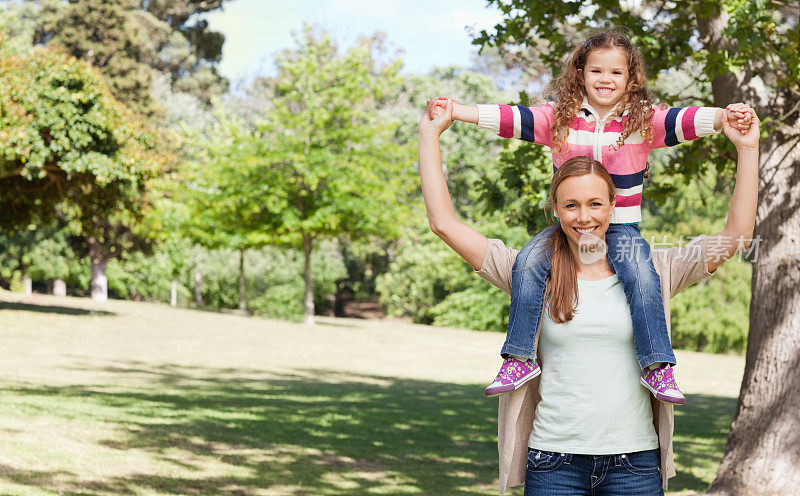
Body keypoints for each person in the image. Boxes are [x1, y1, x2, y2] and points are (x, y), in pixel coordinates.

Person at [418, 98, 759, 494]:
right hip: (553, 462)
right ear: (556, 209)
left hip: (635, 464)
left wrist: (747, 150)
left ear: (614, 206)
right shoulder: (529, 272)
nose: (585, 217)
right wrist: (430, 133)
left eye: (596, 203)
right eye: (572, 205)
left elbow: (736, 236)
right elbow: (443, 223)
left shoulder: (655, 272)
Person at [427, 30, 753, 404]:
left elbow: (686, 120)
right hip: (565, 229)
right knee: (529, 262)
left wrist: (726, 117)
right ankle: (518, 357)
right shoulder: (558, 119)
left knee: (643, 275)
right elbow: (509, 118)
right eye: (596, 70)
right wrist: (456, 111)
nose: (605, 80)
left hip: (623, 226)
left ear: (631, 79)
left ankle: (657, 364)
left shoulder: (644, 122)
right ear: (580, 72)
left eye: (616, 73)